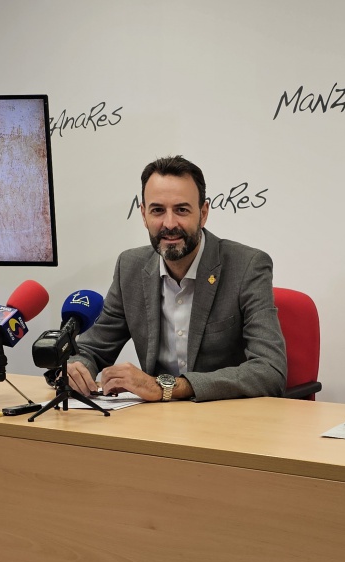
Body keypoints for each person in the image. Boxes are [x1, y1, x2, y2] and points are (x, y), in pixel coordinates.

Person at [67, 155, 287, 402]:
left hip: (225, 418)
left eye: (181, 210)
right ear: (143, 214)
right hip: (156, 422)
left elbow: (270, 370)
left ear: (203, 213)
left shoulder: (247, 266)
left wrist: (168, 387)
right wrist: (78, 367)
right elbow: (93, 348)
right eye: (158, 210)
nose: (169, 224)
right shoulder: (130, 267)